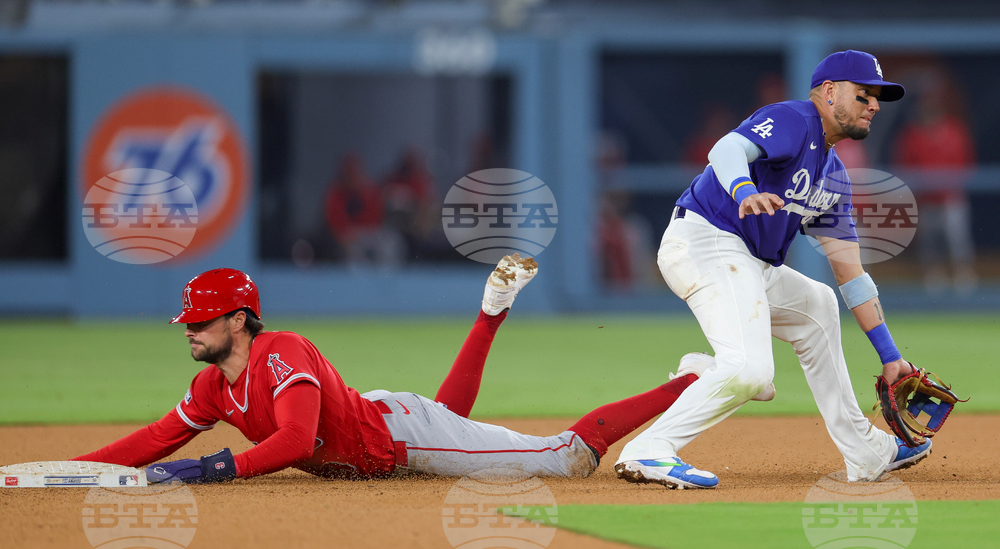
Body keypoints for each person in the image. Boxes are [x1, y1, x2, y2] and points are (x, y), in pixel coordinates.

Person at [73, 256, 703, 483]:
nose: (190, 328)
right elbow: (159, 437)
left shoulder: (281, 353)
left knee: (563, 459)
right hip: (378, 421)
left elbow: (294, 440)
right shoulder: (213, 384)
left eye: (201, 321)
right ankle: (489, 315)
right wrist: (77, 468)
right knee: (450, 419)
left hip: (396, 437)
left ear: (239, 321)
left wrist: (221, 466)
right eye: (189, 321)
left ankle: (694, 377)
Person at [614, 50, 933, 489]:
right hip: (706, 241)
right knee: (751, 371)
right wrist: (743, 187)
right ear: (828, 92)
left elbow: (852, 276)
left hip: (748, 262)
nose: (874, 105)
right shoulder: (795, 119)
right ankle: (650, 450)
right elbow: (724, 149)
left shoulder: (834, 177)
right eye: (864, 95)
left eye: (878, 98)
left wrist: (890, 355)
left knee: (819, 304)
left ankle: (865, 450)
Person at [893, 69, 977, 294]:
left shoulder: (954, 130)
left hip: (951, 198)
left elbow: (966, 163)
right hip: (926, 200)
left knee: (958, 242)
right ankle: (934, 282)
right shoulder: (913, 134)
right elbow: (905, 165)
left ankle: (964, 280)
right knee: (930, 245)